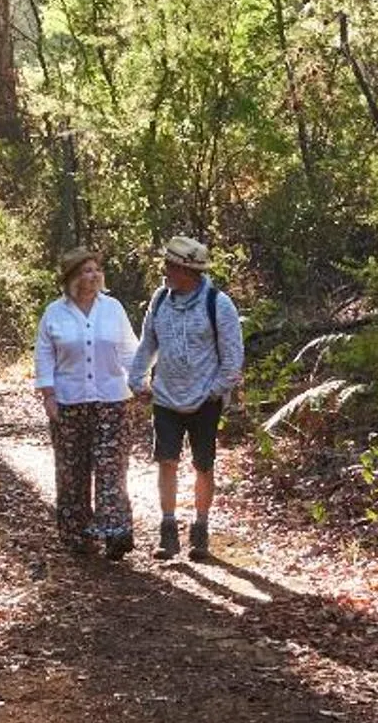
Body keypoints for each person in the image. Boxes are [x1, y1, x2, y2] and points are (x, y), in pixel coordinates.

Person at [130, 233, 245, 562]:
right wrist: (136, 378)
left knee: (203, 465)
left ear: (188, 271)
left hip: (205, 402)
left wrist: (214, 391)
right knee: (166, 461)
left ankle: (200, 529)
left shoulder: (217, 303)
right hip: (165, 397)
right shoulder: (160, 299)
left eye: (171, 266)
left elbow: (233, 356)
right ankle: (168, 530)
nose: (165, 271)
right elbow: (147, 342)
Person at [33, 249, 137, 559]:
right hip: (69, 402)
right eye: (84, 271)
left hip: (112, 400)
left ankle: (117, 532)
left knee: (111, 468)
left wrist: (141, 382)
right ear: (70, 279)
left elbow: (130, 350)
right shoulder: (54, 313)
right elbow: (44, 355)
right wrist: (49, 395)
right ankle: (77, 534)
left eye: (95, 270)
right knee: (72, 471)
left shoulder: (113, 308)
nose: (92, 276)